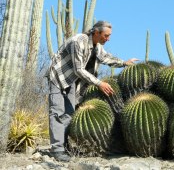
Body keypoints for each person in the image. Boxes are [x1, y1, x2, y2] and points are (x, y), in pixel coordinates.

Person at [46, 21, 139, 162]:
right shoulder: (78, 41)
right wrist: (99, 83)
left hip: (70, 80)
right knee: (57, 111)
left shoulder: (97, 46)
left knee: (69, 114)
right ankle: (57, 150)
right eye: (106, 35)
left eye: (109, 36)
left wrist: (124, 63)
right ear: (96, 32)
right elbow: (78, 69)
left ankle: (63, 146)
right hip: (58, 76)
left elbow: (105, 57)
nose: (108, 39)